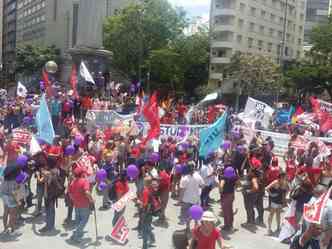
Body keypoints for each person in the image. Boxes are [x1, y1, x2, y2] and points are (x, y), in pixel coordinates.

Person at [68, 166, 94, 243]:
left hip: (76, 204)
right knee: (84, 220)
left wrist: (74, 199)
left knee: (78, 220)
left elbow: (69, 193)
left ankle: (78, 233)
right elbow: (87, 192)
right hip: (84, 204)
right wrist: (91, 200)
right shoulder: (84, 181)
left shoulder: (72, 182)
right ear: (82, 174)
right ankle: (76, 235)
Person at [179, 162, 204, 227]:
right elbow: (203, 185)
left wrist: (180, 200)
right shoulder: (198, 176)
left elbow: (182, 191)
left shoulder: (184, 178)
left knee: (187, 217)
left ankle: (188, 229)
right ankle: (196, 229)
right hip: (196, 200)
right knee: (196, 217)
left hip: (186, 200)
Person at [141, 178, 160, 249]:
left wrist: (139, 203)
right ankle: (152, 239)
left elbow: (145, 204)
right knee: (148, 226)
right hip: (151, 212)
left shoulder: (145, 191)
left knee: (145, 229)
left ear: (145, 183)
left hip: (146, 212)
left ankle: (144, 246)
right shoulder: (151, 189)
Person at [219, 167, 238, 231]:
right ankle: (230, 225)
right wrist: (234, 187)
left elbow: (221, 186)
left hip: (225, 195)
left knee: (225, 211)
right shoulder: (234, 178)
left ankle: (227, 225)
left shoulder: (223, 178)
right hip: (231, 195)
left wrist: (221, 192)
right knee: (230, 210)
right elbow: (239, 184)